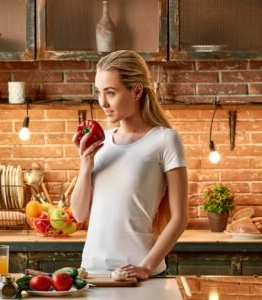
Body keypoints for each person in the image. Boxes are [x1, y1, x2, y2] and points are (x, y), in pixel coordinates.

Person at [71, 50, 188, 280]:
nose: (102, 102)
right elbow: (79, 213)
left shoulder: (165, 140)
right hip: (91, 273)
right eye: (99, 92)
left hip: (138, 274)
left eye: (111, 93)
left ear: (136, 91)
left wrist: (146, 266)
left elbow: (180, 218)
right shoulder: (100, 141)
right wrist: (85, 163)